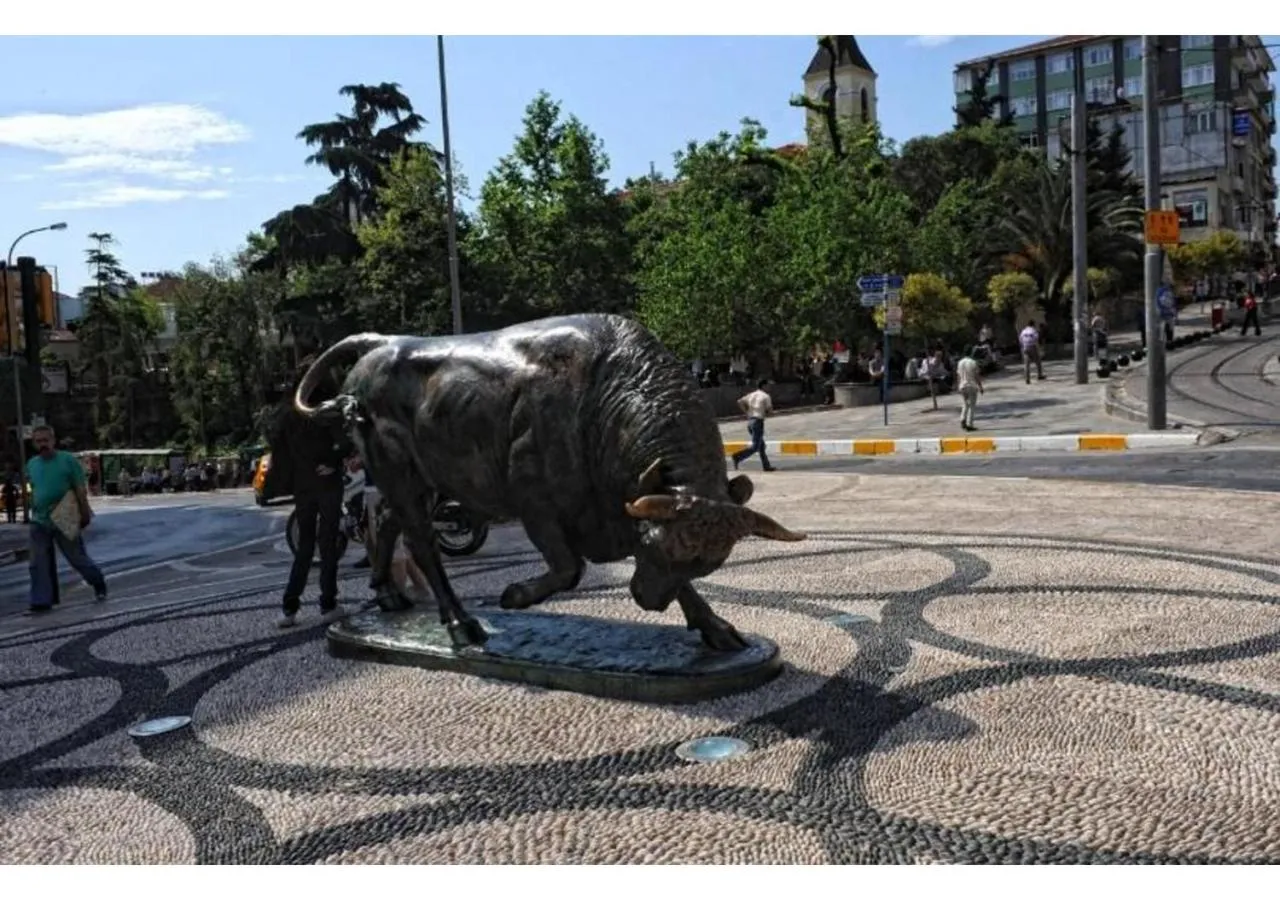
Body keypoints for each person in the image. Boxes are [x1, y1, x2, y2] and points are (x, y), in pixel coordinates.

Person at [271, 369, 353, 628]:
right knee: (328, 544)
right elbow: (346, 442)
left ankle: (289, 607)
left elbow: (279, 450)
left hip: (302, 484)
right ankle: (328, 603)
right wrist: (333, 462)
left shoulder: (289, 414)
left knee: (304, 546)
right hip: (327, 481)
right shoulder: (327, 410)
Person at [26, 424, 107, 614]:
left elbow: (79, 489)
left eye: (46, 440)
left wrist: (84, 513)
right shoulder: (32, 464)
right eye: (38, 441)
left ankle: (97, 581)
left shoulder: (67, 460)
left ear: (53, 440)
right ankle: (42, 600)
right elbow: (34, 489)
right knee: (38, 562)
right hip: (40, 519)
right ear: (34, 444)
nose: (43, 444)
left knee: (76, 557)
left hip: (65, 514)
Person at [731, 379, 776, 472]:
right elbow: (770, 412)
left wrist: (747, 412)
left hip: (750, 421)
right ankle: (737, 456)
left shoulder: (752, 394)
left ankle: (766, 466)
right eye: (768, 385)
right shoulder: (766, 396)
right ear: (763, 386)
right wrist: (769, 413)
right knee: (755, 447)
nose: (770, 387)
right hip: (758, 422)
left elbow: (739, 401)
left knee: (761, 446)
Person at [956, 352, 985, 432]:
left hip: (962, 386)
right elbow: (976, 376)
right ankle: (970, 424)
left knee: (965, 404)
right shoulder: (973, 362)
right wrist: (980, 386)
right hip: (971, 385)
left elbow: (958, 376)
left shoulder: (960, 363)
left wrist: (958, 386)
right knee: (972, 406)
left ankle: (962, 419)